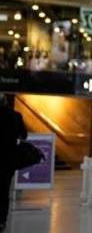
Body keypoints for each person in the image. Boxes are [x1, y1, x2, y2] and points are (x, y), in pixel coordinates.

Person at [0, 95, 27, 231]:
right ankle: (2, 221)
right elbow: (24, 135)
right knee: (4, 191)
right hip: (8, 160)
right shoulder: (16, 116)